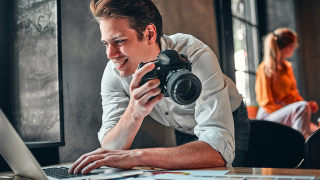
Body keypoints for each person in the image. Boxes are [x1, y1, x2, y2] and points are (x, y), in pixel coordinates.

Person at [69, 0, 249, 174]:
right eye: (106, 43)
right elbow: (109, 150)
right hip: (183, 129)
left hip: (230, 119)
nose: (110, 54)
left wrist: (137, 156)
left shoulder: (195, 55)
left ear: (149, 34)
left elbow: (219, 150)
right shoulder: (115, 73)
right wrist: (134, 112)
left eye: (119, 41)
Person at [255, 27, 319, 139]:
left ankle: (302, 144)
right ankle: (300, 149)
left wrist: (306, 105)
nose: (294, 48)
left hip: (288, 113)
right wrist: (295, 108)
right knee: (302, 107)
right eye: (293, 45)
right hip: (268, 116)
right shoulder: (265, 68)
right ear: (286, 47)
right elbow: (265, 102)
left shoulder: (288, 68)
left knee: (317, 133)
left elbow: (293, 96)